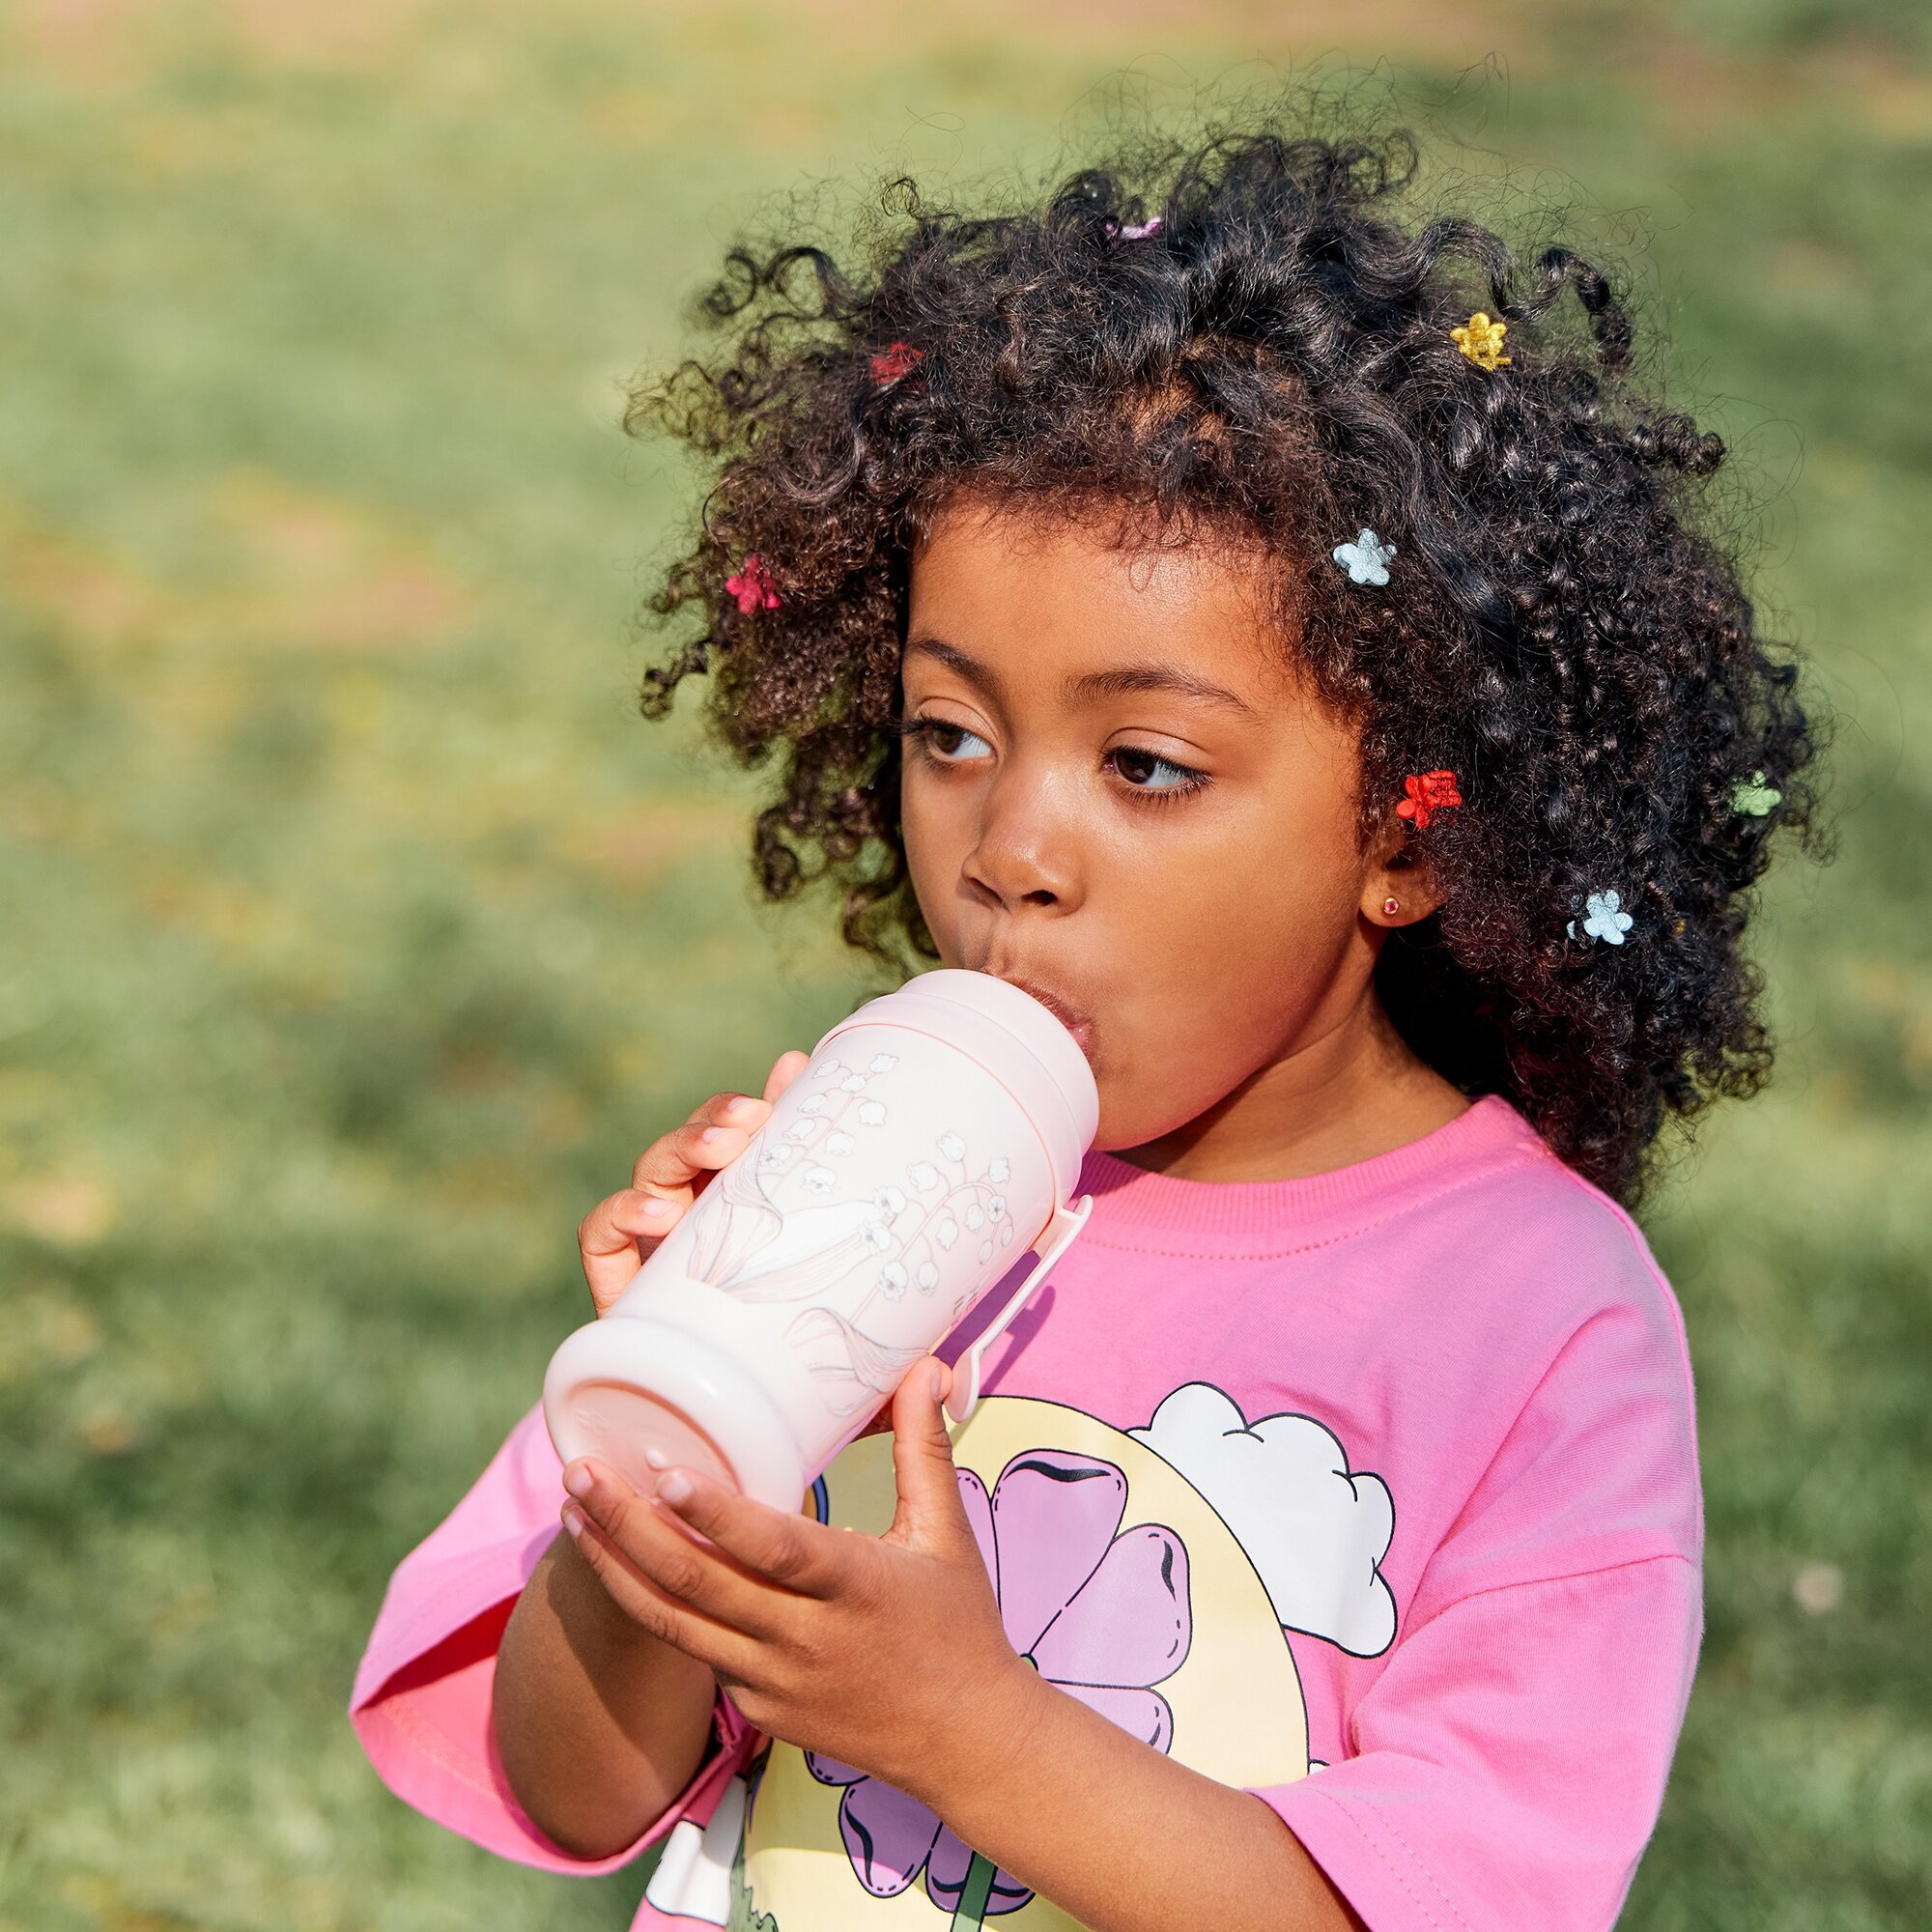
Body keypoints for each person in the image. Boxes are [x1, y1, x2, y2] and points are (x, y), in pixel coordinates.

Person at [348, 118, 1817, 1932]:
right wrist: (670, 1461)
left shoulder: (1538, 1322)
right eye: (950, 734)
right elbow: (580, 1785)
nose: (1014, 849)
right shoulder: (863, 1186)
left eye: (1147, 765)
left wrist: (962, 1729)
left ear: (1406, 836)